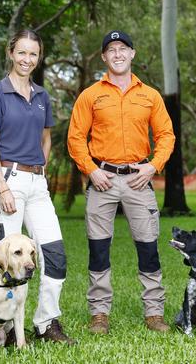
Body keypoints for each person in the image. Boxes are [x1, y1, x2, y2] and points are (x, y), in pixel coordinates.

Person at [67, 30, 176, 334]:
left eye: (122, 48)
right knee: (99, 249)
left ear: (132, 54)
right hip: (102, 180)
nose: (117, 54)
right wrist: (91, 170)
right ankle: (99, 313)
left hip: (139, 180)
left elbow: (166, 135)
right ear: (104, 57)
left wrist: (153, 166)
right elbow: (75, 137)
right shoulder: (91, 95)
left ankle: (154, 313)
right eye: (111, 49)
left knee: (148, 248)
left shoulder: (150, 96)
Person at [0, 29, 74, 344]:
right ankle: (3, 330)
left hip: (37, 185)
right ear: (11, 53)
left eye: (33, 54)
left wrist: (41, 168)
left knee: (55, 254)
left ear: (38, 57)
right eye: (22, 53)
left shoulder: (43, 96)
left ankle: (46, 324)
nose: (27, 59)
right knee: (7, 259)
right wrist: (3, 187)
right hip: (8, 182)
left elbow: (46, 138)